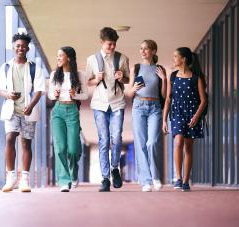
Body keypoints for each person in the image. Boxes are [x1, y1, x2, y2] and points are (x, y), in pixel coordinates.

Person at [0, 32, 45, 193]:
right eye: (18, 46)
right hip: (11, 110)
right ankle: (11, 177)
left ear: (27, 48)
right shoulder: (6, 67)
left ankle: (24, 179)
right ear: (13, 47)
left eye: (23, 46)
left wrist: (30, 105)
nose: (20, 48)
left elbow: (39, 90)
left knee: (26, 142)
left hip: (28, 110)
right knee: (10, 137)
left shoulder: (34, 67)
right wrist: (8, 94)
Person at [86, 27, 129, 192]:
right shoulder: (92, 59)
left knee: (116, 137)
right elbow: (87, 82)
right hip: (99, 104)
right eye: (109, 44)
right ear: (102, 42)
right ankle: (104, 178)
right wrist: (95, 79)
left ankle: (115, 168)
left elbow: (127, 79)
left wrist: (122, 77)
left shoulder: (123, 58)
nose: (112, 47)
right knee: (103, 140)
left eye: (114, 44)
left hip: (117, 102)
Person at [162, 47, 207, 191]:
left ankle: (186, 181)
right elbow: (168, 99)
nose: (174, 59)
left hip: (192, 115)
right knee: (178, 141)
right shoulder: (173, 76)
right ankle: (178, 178)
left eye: (176, 56)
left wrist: (196, 117)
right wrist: (164, 120)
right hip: (177, 114)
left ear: (184, 59)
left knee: (188, 147)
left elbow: (203, 100)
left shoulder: (196, 78)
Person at [127, 40, 167, 192]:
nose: (143, 51)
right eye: (141, 49)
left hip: (155, 107)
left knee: (152, 142)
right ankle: (146, 181)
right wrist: (134, 88)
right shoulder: (135, 68)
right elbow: (129, 93)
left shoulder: (159, 69)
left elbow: (164, 94)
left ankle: (156, 176)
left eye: (146, 49)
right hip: (138, 107)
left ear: (154, 51)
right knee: (141, 144)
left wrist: (164, 79)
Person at [48, 46, 88, 192]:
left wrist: (75, 95)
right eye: (57, 56)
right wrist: (55, 94)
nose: (58, 58)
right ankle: (64, 180)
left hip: (72, 111)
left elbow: (85, 95)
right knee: (60, 148)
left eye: (61, 56)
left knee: (72, 149)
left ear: (69, 58)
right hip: (58, 110)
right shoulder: (54, 74)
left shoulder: (79, 75)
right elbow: (50, 95)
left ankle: (74, 170)